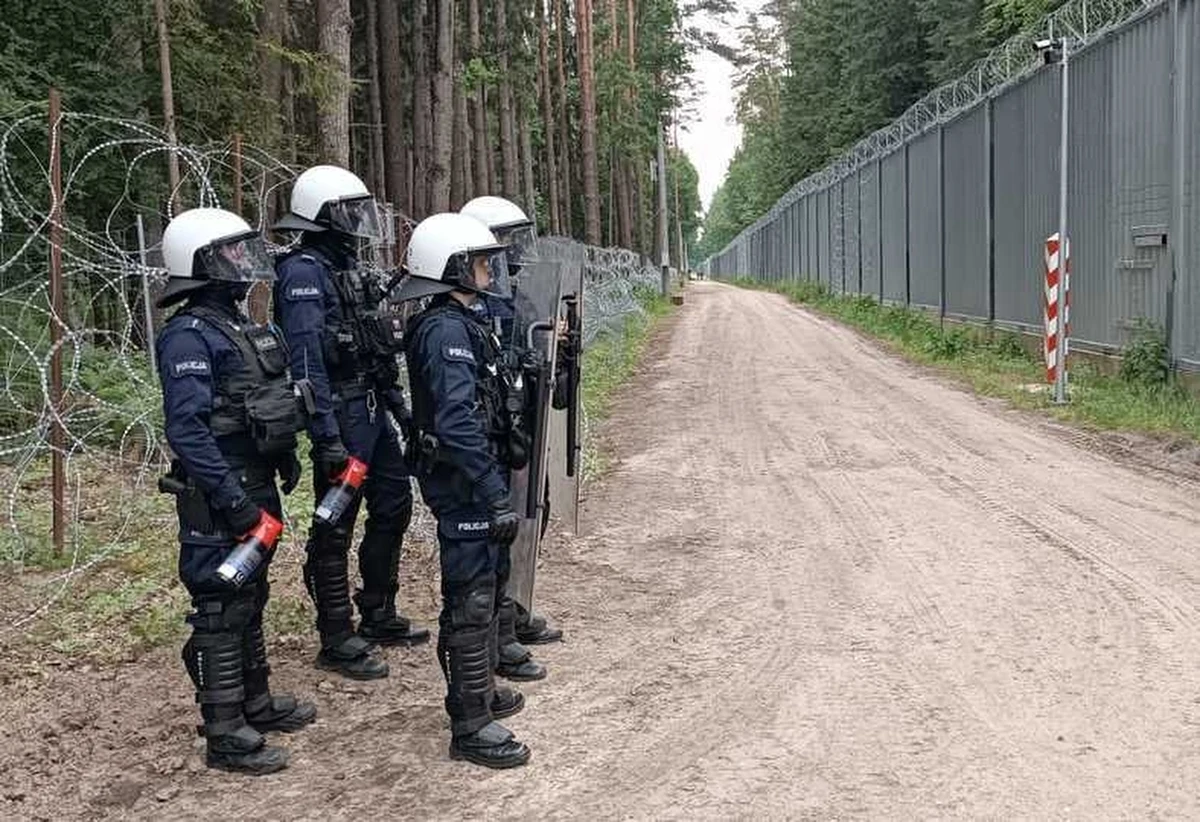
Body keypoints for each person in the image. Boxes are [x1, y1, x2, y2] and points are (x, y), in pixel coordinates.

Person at [155, 208, 316, 774]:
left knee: (251, 595)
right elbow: (188, 430)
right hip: (218, 494)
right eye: (230, 252)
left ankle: (256, 701)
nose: (243, 260)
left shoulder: (242, 327)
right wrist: (233, 500)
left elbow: (263, 400)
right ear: (202, 263)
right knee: (220, 605)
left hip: (254, 480)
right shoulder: (188, 336)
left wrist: (283, 455)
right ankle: (224, 731)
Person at [273, 165, 428, 681]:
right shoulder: (302, 272)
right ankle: (336, 633)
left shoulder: (349, 268)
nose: (359, 222)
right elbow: (307, 360)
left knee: (394, 503)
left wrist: (399, 408)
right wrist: (326, 436)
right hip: (340, 414)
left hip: (372, 408)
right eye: (350, 212)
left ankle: (378, 609)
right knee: (335, 521)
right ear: (322, 215)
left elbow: (372, 347)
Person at [395, 212, 532, 769]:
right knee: (470, 598)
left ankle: (480, 693)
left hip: (476, 475)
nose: (488, 271)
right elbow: (454, 420)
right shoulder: (445, 330)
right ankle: (469, 723)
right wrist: (492, 490)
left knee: (488, 581)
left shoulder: (464, 322)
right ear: (451, 268)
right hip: (463, 482)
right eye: (478, 263)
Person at [460, 196, 565, 651]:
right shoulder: (473, 308)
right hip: (496, 431)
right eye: (505, 242)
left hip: (521, 424)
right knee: (504, 521)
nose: (515, 252)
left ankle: (515, 607)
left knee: (532, 509)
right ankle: (501, 625)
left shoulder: (514, 295)